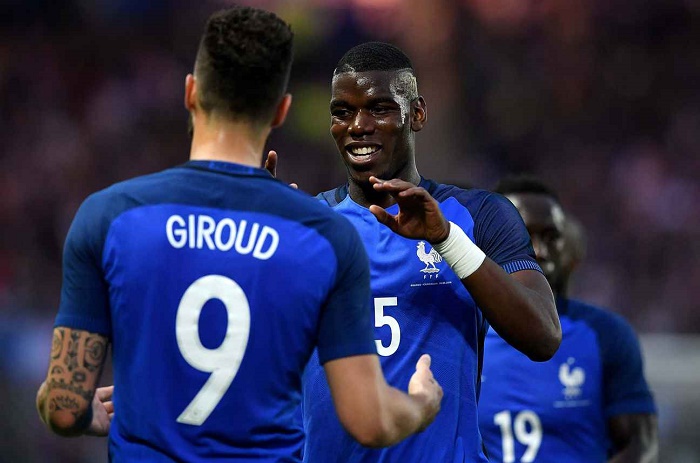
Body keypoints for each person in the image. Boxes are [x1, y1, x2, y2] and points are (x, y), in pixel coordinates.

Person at [34, 8, 443, 462]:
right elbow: (370, 422)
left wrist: (81, 410)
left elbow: (64, 408)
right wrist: (421, 404)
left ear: (190, 92)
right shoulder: (325, 238)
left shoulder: (109, 216)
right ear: (281, 110)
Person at [291, 42, 561, 463]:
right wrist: (256, 248)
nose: (358, 125)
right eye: (342, 112)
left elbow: (543, 335)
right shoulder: (307, 225)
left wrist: (446, 240)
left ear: (416, 114)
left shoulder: (479, 216)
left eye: (379, 108)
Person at [478, 174, 658, 462]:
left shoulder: (605, 335)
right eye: (522, 235)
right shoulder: (460, 333)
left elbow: (640, 444)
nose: (539, 251)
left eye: (551, 237)